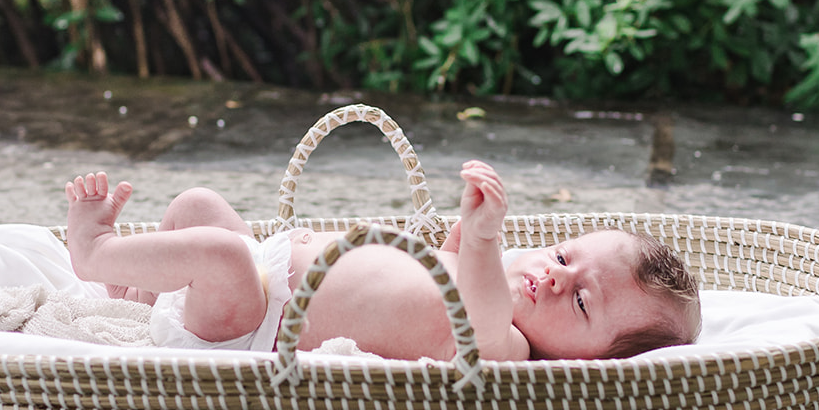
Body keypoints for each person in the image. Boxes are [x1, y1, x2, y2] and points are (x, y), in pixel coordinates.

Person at [63, 161, 700, 362]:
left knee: (222, 254)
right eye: (565, 257)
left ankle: (95, 254)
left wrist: (479, 243)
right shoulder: (491, 283)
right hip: (269, 272)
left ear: (585, 361)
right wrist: (458, 242)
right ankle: (132, 308)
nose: (557, 277)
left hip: (253, 324)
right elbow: (438, 276)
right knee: (197, 204)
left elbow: (471, 310)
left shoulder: (507, 346)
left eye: (582, 302)